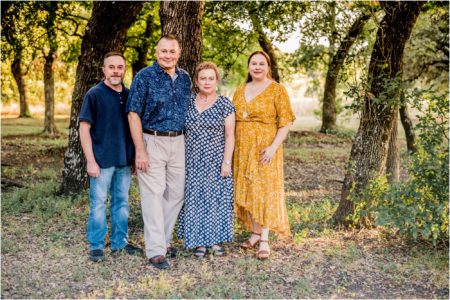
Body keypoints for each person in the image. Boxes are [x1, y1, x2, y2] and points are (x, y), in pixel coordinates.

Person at [126, 34, 191, 270]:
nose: (168, 55)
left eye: (172, 51)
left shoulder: (185, 78)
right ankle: (155, 250)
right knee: (152, 195)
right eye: (164, 51)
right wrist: (140, 150)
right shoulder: (144, 77)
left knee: (176, 193)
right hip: (151, 140)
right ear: (156, 52)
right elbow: (133, 113)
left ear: (179, 53)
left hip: (179, 141)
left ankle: (162, 240)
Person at [79, 52, 142, 262]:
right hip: (101, 161)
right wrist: (90, 160)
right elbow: (84, 129)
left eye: (120, 67)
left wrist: (134, 156)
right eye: (111, 67)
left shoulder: (129, 94)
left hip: (124, 160)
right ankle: (96, 245)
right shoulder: (94, 94)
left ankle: (119, 243)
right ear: (104, 70)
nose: (116, 71)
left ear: (124, 69)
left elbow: (134, 128)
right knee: (98, 203)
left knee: (121, 203)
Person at [232, 51, 295, 260]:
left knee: (265, 190)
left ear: (268, 67)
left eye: (261, 64)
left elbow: (285, 122)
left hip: (265, 150)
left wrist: (273, 147)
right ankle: (255, 233)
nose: (257, 67)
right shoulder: (240, 89)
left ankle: (265, 239)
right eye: (253, 63)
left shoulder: (277, 90)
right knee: (251, 189)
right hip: (243, 149)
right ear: (248, 67)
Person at [177, 62, 236, 258]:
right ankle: (198, 242)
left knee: (215, 200)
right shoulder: (188, 102)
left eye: (211, 78)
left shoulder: (225, 104)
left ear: (217, 81)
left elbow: (230, 136)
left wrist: (226, 162)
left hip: (216, 161)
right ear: (196, 81)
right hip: (191, 160)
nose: (207, 82)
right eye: (203, 78)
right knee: (194, 199)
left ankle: (214, 241)